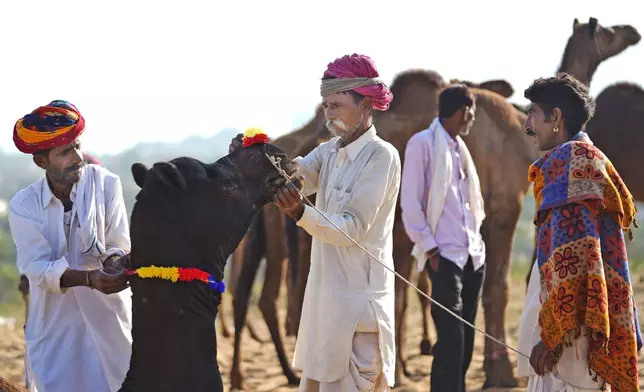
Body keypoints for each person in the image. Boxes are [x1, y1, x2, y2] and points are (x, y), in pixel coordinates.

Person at [230, 53, 399, 391]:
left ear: (365, 105)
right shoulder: (331, 151)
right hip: (324, 310)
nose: (328, 112)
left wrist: (300, 214)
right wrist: (254, 157)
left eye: (336, 103)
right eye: (326, 104)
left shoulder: (382, 156)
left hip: (359, 315)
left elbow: (352, 228)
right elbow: (294, 174)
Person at [517, 73, 642, 391]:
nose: (527, 125)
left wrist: (550, 338)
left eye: (533, 113)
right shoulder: (590, 159)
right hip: (584, 322)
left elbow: (578, 259)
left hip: (572, 336)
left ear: (555, 117)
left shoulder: (571, 166)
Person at [8, 100, 133, 392]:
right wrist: (88, 279)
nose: (78, 157)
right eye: (65, 152)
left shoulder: (107, 185)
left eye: (77, 146)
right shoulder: (23, 206)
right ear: (42, 162)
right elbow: (36, 269)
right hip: (55, 327)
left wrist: (116, 264)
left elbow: (117, 244)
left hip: (109, 321)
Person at [399, 84, 485, 392]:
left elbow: (468, 203)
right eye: (471, 110)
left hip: (472, 255)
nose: (472, 117)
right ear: (463, 111)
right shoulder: (422, 143)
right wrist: (430, 250)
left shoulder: (459, 147)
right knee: (450, 340)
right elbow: (410, 202)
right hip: (444, 256)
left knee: (467, 338)